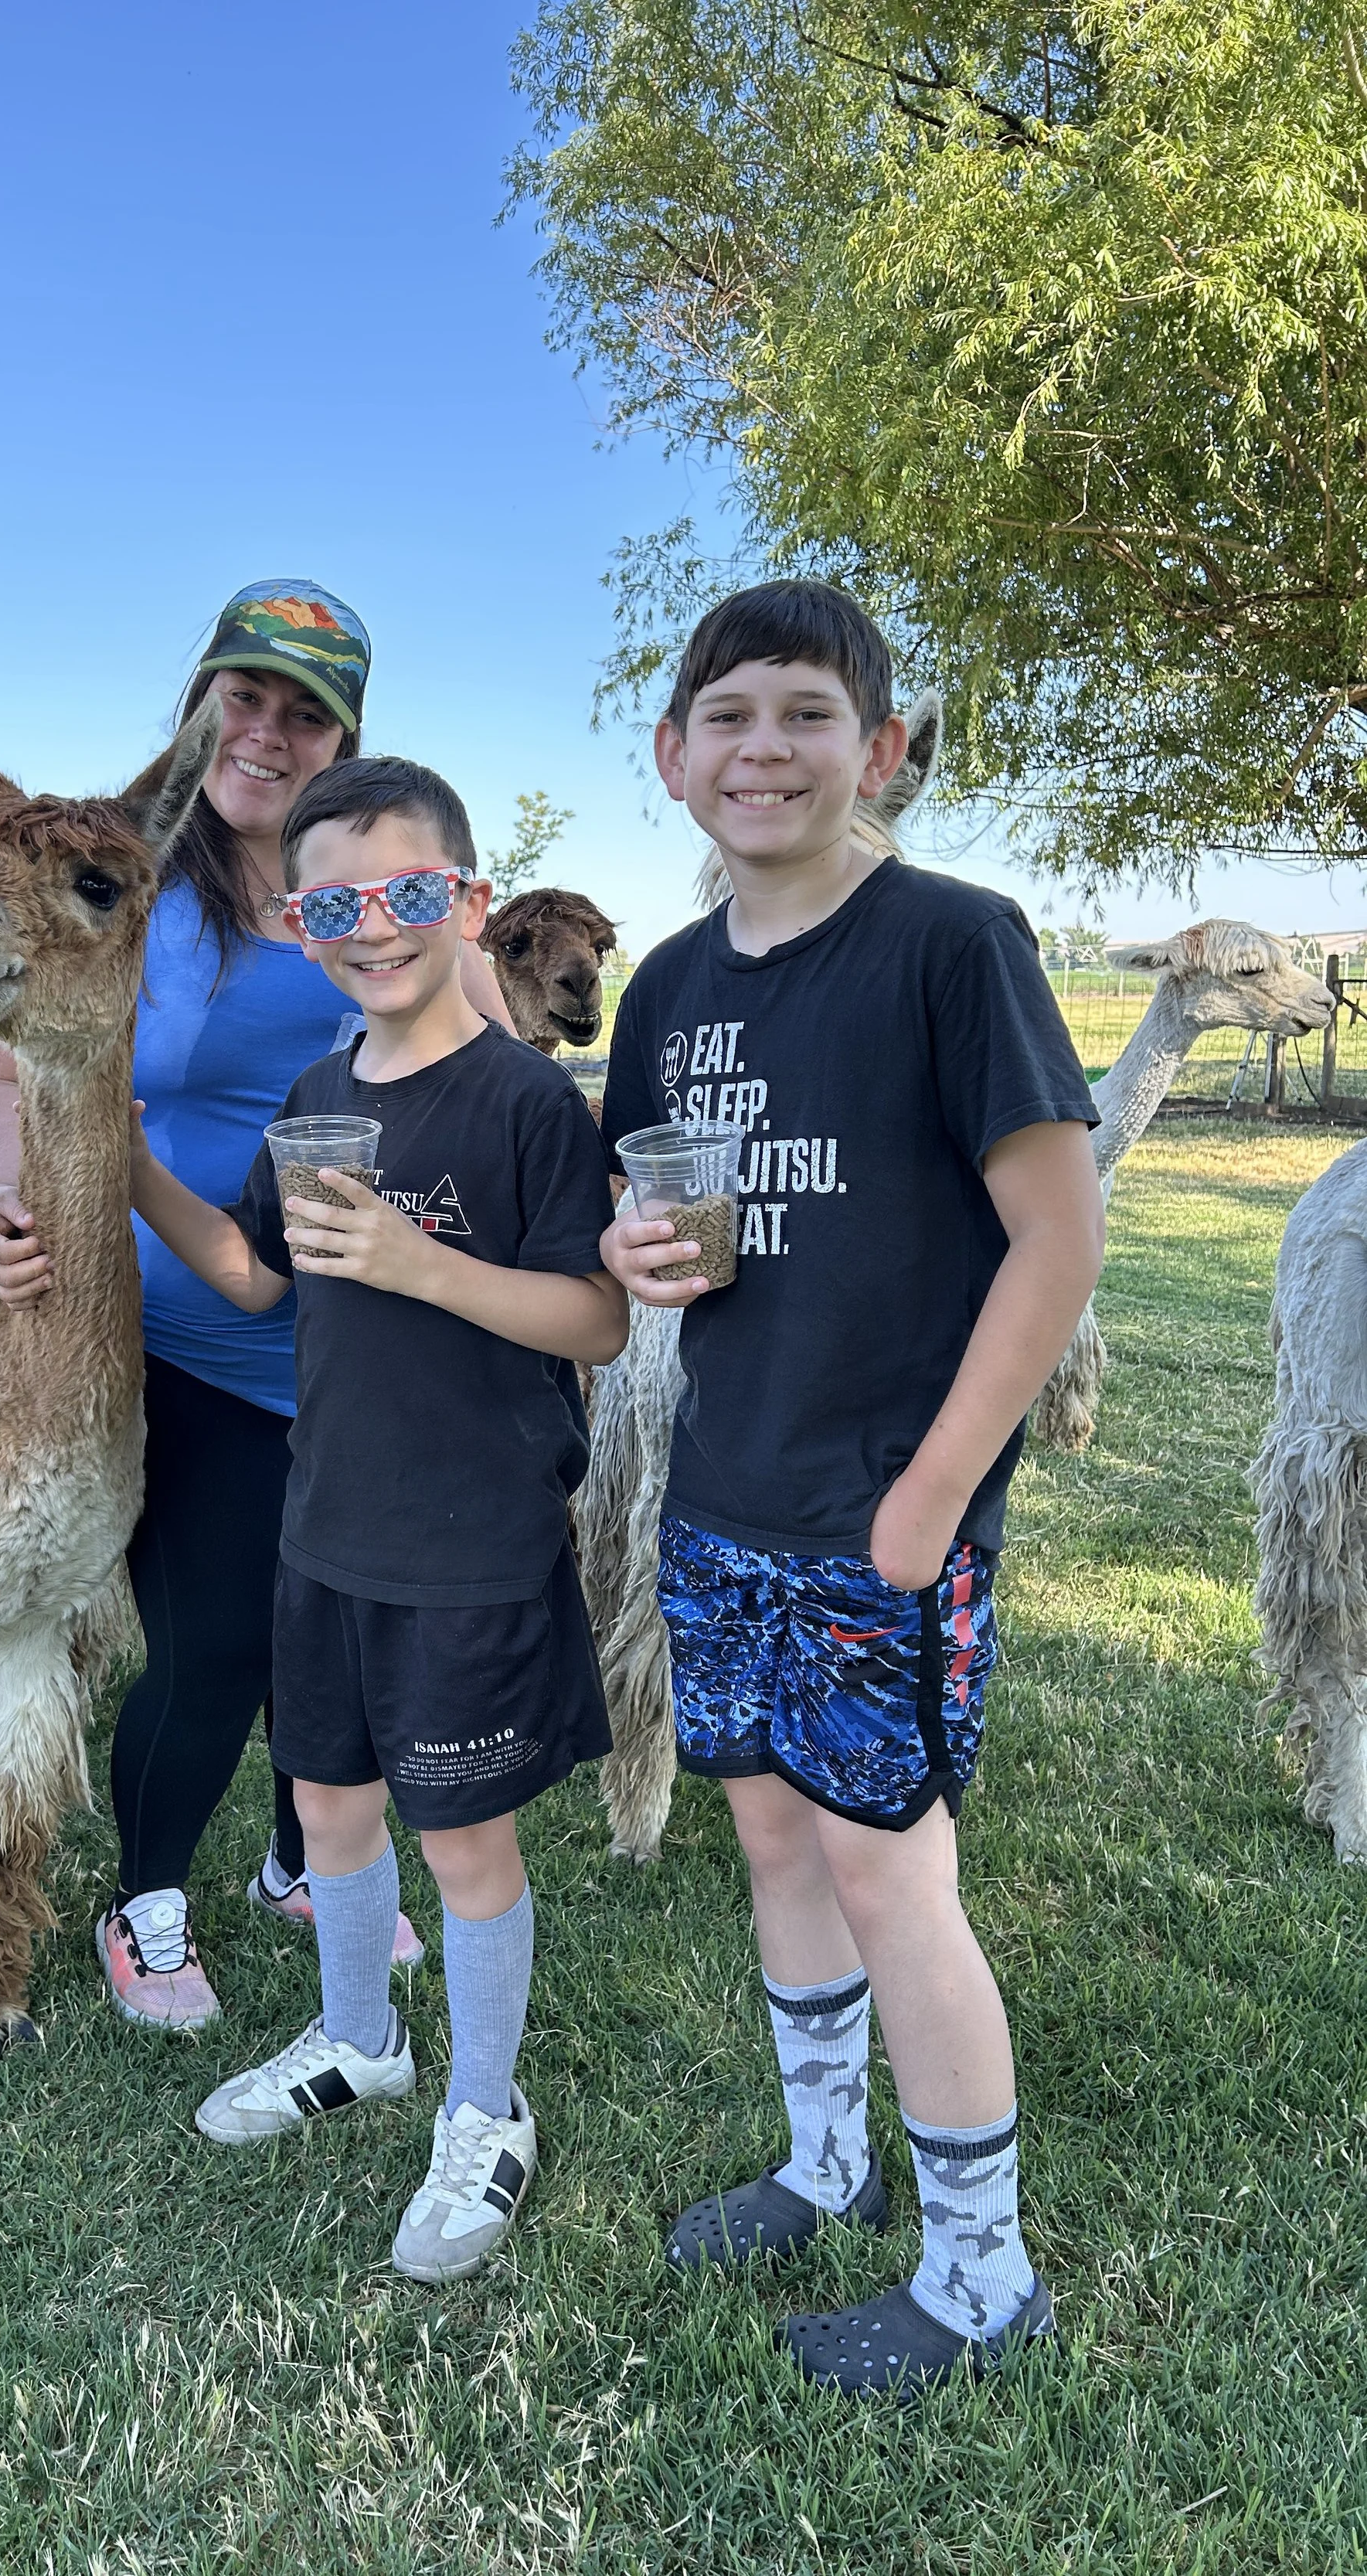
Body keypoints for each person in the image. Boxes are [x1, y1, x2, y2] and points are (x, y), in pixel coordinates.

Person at [597, 580, 1103, 2396]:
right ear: (672, 758)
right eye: (727, 716)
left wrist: (931, 1498)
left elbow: (1055, 1236)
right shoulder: (660, 986)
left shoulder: (952, 945)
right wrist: (641, 1255)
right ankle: (824, 2159)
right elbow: (634, 1222)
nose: (765, 747)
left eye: (808, 714)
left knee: (897, 1878)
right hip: (724, 1490)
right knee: (771, 1836)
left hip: (882, 1514)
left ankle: (981, 2271)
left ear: (876, 749)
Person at [0, 582, 517, 2032]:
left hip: (360, 1347)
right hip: (173, 1336)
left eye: (303, 709)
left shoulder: (374, 894)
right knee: (214, 1640)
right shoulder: (123, 877)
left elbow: (491, 1063)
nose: (264, 731)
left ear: (346, 738)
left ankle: (295, 1860)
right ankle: (144, 1900)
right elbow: (10, 1071)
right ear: (200, 702)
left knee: (324, 1632)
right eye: (242, 696)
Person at [130, 754, 625, 2282]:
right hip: (322, 1520)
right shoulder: (315, 1096)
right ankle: (357, 2039)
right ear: (298, 923)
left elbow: (596, 1319)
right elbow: (257, 1277)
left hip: (471, 1538)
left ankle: (486, 2103)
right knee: (330, 1807)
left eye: (409, 892)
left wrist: (422, 1264)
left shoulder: (526, 1102)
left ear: (464, 906)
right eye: (334, 901)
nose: (375, 924)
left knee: (462, 1844)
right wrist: (123, 1165)